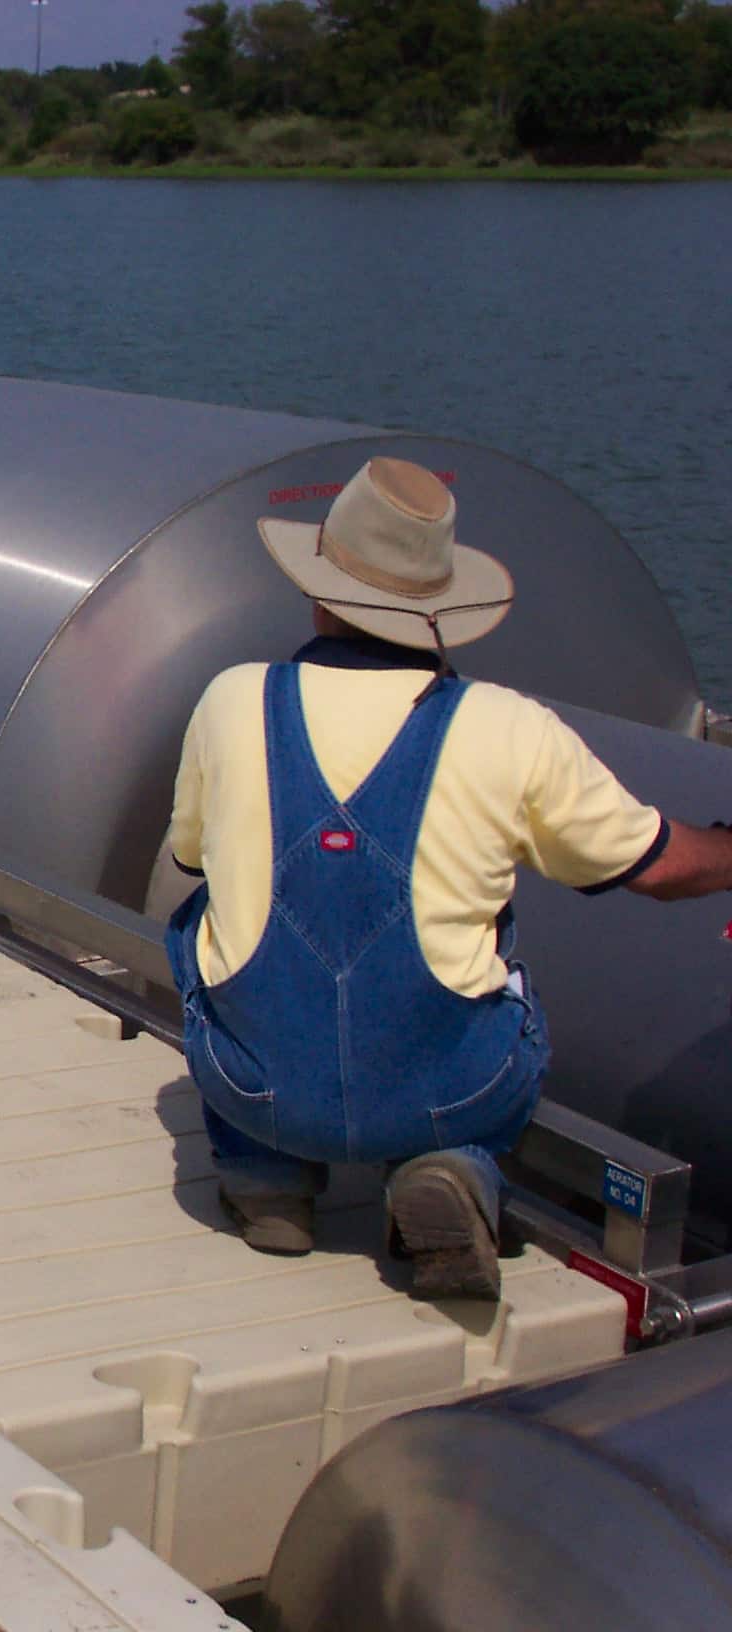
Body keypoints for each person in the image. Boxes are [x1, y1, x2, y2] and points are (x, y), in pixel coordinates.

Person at [163, 455, 732, 1300]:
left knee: (203, 918)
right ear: (439, 614)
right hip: (442, 1091)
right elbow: (658, 867)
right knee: (503, 970)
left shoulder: (230, 700)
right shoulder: (507, 729)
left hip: (259, 1083)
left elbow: (190, 856)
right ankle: (450, 1166)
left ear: (318, 593)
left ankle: (266, 1176)